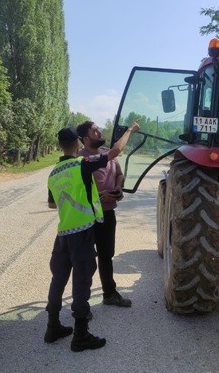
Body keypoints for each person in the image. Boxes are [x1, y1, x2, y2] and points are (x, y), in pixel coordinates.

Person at [45, 122, 139, 352]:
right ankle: (81, 335)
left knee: (58, 280)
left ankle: (53, 327)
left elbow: (51, 204)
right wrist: (129, 131)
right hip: (83, 231)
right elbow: (116, 151)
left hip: (63, 234)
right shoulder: (82, 164)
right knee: (82, 281)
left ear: (59, 145)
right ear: (78, 143)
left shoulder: (54, 173)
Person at [76, 121, 132, 308]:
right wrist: (101, 196)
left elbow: (119, 174)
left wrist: (118, 187)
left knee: (106, 255)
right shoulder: (80, 159)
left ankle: (109, 294)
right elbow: (79, 194)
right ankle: (82, 303)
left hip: (107, 214)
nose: (99, 132)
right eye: (94, 131)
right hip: (88, 217)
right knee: (85, 259)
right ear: (85, 139)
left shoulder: (106, 152)